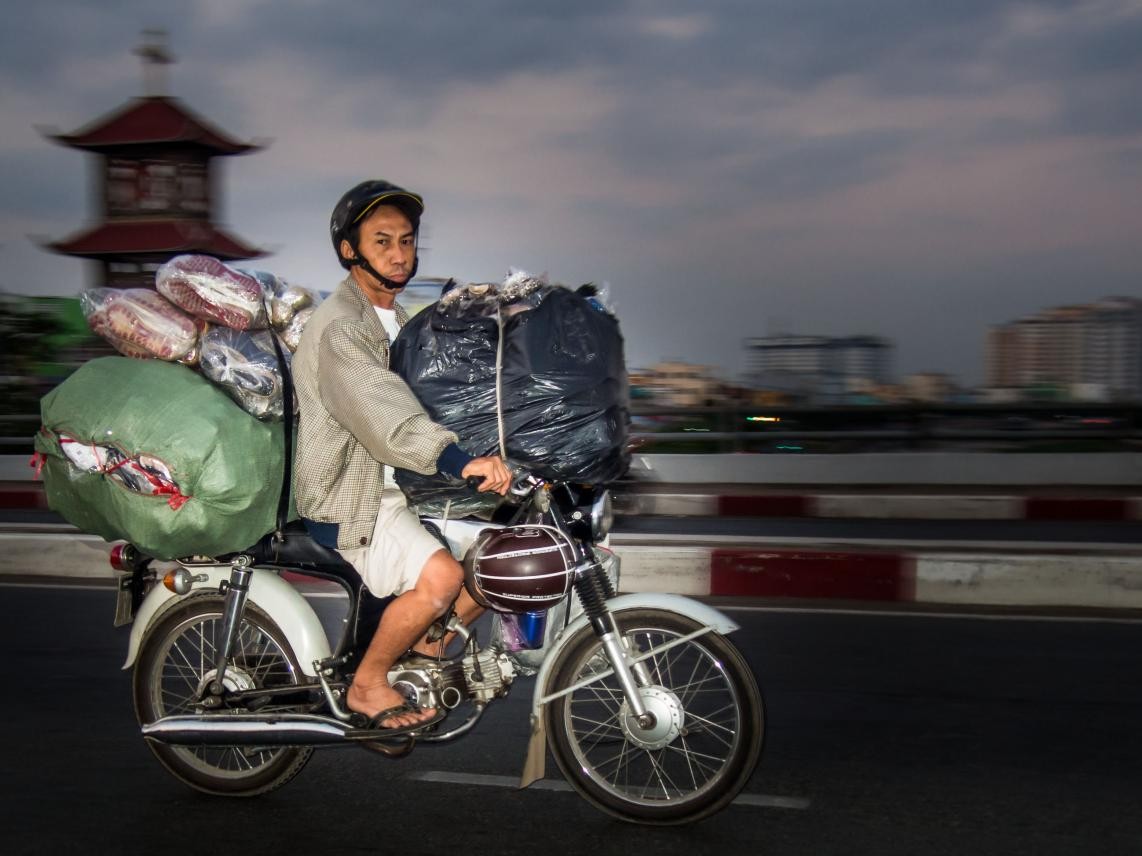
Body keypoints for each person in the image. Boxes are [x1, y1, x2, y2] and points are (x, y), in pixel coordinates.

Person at [293, 179, 511, 732]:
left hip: (398, 485)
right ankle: (368, 685)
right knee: (441, 580)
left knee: (492, 565)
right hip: (352, 491)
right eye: (383, 241)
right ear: (350, 250)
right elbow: (385, 413)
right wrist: (458, 460)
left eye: (407, 241)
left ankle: (427, 654)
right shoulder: (343, 327)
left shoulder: (392, 318)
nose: (398, 254)